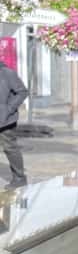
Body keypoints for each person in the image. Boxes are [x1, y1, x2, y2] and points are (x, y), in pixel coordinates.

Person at [0, 60, 28, 189]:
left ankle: (19, 178)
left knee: (10, 148)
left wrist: (8, 108)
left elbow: (22, 92)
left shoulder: (7, 73)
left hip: (5, 119)